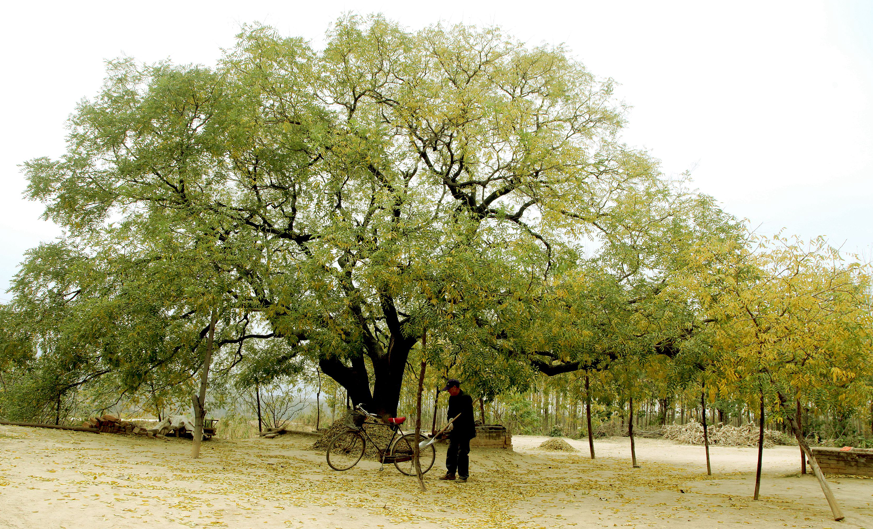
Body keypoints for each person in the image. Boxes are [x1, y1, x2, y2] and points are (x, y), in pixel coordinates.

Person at [439, 379, 476, 482]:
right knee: (452, 450)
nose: (448, 391)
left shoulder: (466, 398)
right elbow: (450, 413)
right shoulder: (451, 398)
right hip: (455, 430)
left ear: (455, 387)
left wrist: (455, 423)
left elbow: (466, 416)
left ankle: (463, 476)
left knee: (462, 452)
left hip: (465, 429)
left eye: (449, 389)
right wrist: (450, 421)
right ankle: (450, 473)